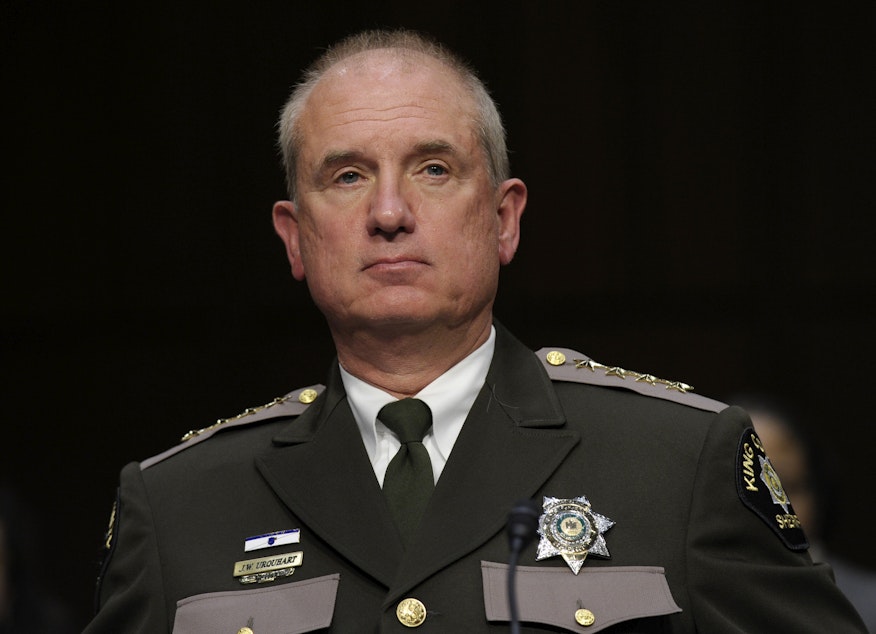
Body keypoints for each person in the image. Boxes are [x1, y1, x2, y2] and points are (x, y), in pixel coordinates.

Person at [84, 29, 867, 632]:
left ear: (502, 219)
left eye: (433, 169)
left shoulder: (679, 465)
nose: (389, 214)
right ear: (294, 236)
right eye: (347, 176)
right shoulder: (179, 505)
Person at [734, 395, 876, 632]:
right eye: (748, 491)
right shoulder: (678, 611)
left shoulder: (870, 607)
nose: (772, 509)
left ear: (820, 493)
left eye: (786, 486)